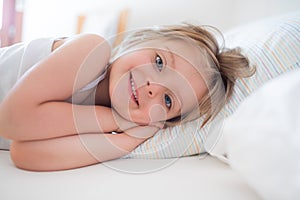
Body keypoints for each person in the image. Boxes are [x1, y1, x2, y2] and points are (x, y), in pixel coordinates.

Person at [0, 23, 254, 171]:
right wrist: (117, 121)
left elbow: (24, 153)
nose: (153, 86)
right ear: (140, 40)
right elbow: (12, 121)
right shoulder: (91, 51)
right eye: (159, 61)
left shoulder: (98, 125)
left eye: (167, 100)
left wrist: (130, 137)